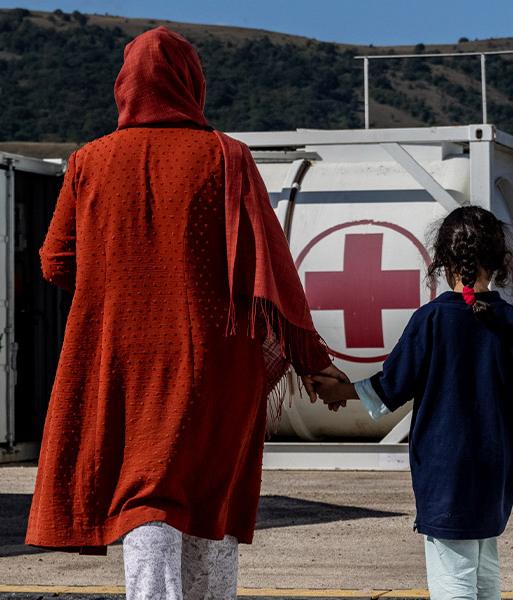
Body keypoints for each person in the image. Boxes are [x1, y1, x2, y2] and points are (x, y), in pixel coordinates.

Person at [25, 26, 345, 600]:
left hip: (122, 358)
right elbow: (271, 275)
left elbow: (54, 263)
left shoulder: (87, 162)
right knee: (207, 490)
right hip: (215, 360)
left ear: (125, 85)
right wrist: (315, 365)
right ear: (191, 84)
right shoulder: (228, 156)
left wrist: (115, 276)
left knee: (144, 493)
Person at [312, 206, 513, 600]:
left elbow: (391, 385)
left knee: (452, 576)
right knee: (484, 566)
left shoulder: (430, 320)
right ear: (497, 263)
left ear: (443, 262)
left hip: (445, 474)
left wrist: (340, 391)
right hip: (496, 469)